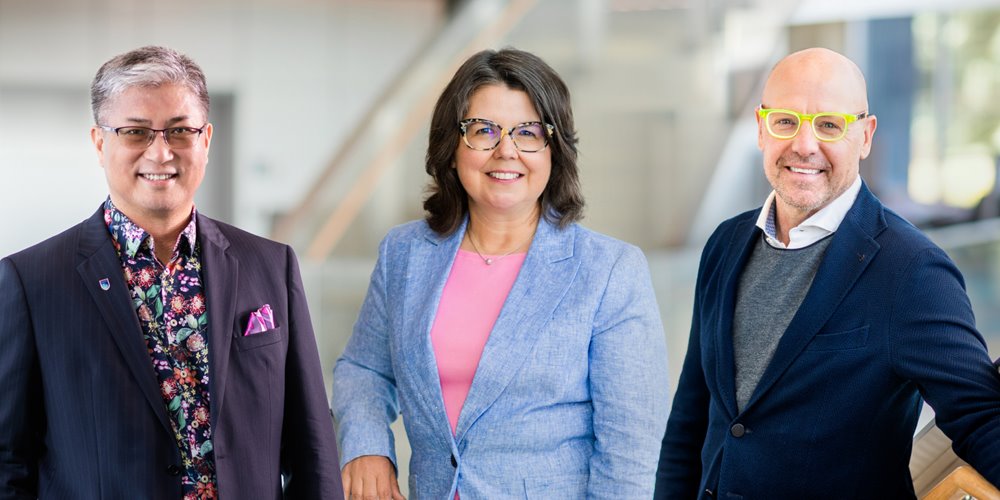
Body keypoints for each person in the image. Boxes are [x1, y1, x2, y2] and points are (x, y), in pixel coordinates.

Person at [655, 47, 1000, 499]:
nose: (804, 144)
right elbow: (691, 418)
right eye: (785, 121)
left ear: (866, 135)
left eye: (829, 125)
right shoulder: (726, 243)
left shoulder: (913, 271)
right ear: (761, 128)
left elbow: (981, 417)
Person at [0, 46, 343, 499]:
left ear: (206, 139)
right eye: (136, 132)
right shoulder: (31, 282)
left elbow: (312, 446)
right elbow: (8, 463)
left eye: (180, 130)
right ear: (100, 143)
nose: (161, 153)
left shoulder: (271, 266)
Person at [331, 48, 669, 499]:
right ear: (451, 148)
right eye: (483, 130)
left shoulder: (609, 272)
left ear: (555, 152)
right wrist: (367, 448)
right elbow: (363, 368)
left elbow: (629, 458)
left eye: (528, 132)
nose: (505, 150)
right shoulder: (405, 254)